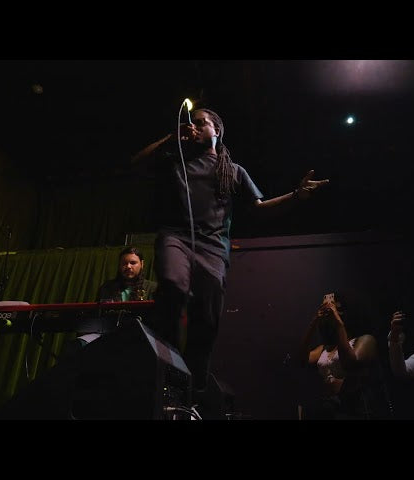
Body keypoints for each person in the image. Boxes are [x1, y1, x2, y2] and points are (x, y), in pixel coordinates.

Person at [131, 107, 329, 400]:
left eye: (201, 123)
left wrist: (296, 196)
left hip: (212, 248)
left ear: (217, 131)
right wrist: (170, 139)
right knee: (173, 283)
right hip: (177, 237)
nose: (194, 127)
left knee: (208, 318)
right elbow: (136, 165)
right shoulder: (176, 161)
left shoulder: (232, 171)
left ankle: (195, 382)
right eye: (191, 123)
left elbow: (260, 209)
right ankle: (163, 357)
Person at [299, 293, 380, 419]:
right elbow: (301, 359)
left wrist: (338, 322)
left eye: (336, 309)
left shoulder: (365, 340)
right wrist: (314, 322)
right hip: (329, 409)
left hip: (353, 410)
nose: (331, 312)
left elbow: (349, 363)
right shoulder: (325, 348)